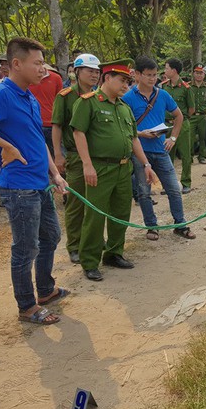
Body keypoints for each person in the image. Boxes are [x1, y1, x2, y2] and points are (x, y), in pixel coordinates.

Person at [0, 37, 68, 325]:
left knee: (51, 236)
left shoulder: (28, 94)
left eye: (43, 63)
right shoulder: (1, 93)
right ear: (16, 64)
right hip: (19, 188)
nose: (42, 68)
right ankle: (27, 306)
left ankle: (45, 290)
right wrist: (3, 144)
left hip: (39, 183)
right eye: (38, 63)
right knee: (25, 247)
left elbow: (35, 138)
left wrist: (54, 174)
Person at [70, 58, 156, 281]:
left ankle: (114, 253)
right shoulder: (88, 103)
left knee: (120, 213)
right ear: (106, 78)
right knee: (96, 215)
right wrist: (87, 165)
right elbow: (78, 133)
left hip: (123, 168)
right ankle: (89, 260)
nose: (126, 85)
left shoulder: (124, 107)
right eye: (122, 80)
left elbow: (134, 138)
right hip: (99, 168)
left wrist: (146, 164)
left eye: (128, 81)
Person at [122, 55, 195, 242]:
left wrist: (172, 137)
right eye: (148, 75)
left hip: (161, 150)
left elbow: (179, 116)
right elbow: (123, 129)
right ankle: (151, 226)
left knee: (173, 188)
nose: (152, 78)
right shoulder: (128, 98)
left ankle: (180, 224)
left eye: (155, 75)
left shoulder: (163, 94)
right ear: (137, 75)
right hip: (140, 152)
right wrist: (140, 133)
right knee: (144, 192)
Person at [51, 53, 101, 263]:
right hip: (75, 156)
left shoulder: (100, 96)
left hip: (98, 156)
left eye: (97, 72)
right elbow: (57, 126)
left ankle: (94, 241)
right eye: (90, 71)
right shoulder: (65, 96)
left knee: (96, 202)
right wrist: (58, 155)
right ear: (77, 72)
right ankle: (74, 245)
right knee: (76, 202)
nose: (94, 75)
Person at [161, 58, 195, 193]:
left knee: (185, 154)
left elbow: (191, 109)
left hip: (182, 125)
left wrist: (181, 119)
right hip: (166, 126)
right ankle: (168, 184)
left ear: (174, 71)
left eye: (166, 68)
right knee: (167, 155)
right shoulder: (164, 86)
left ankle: (186, 182)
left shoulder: (186, 88)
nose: (165, 71)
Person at [29, 62, 63, 156]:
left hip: (52, 124)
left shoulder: (56, 78)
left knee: (56, 156)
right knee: (37, 156)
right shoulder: (28, 79)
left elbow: (60, 101)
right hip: (34, 124)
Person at [189, 63, 206, 164]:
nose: (199, 75)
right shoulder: (188, 86)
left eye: (201, 73)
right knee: (190, 138)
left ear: (204, 74)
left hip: (203, 115)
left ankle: (202, 156)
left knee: (203, 137)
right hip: (191, 116)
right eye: (197, 72)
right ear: (193, 73)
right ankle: (190, 156)